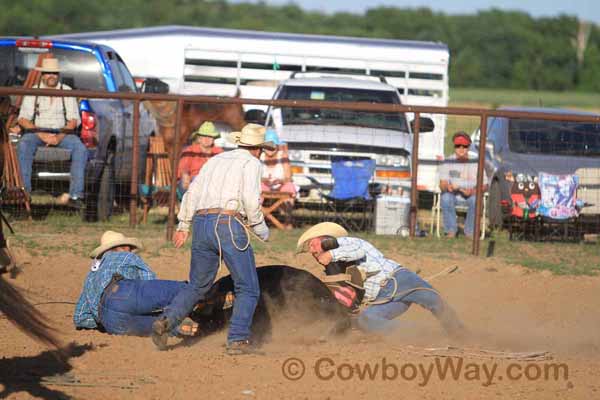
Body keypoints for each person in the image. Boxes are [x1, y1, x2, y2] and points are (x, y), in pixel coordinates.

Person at [152, 123, 273, 354]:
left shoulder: (216, 160)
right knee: (248, 287)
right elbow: (250, 198)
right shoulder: (252, 163)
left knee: (198, 284)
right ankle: (237, 339)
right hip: (228, 224)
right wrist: (260, 229)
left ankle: (167, 320)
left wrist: (184, 225)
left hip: (201, 223)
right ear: (258, 149)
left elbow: (192, 193)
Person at [296, 222, 465, 337]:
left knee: (432, 300)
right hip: (382, 298)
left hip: (398, 278)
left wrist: (331, 253)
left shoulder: (343, 242)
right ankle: (419, 335)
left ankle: (459, 332)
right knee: (365, 319)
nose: (312, 251)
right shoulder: (335, 269)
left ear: (325, 238)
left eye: (312, 244)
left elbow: (358, 252)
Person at [73, 231, 197, 337]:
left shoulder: (91, 275)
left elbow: (80, 318)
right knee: (184, 289)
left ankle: (178, 328)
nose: (132, 250)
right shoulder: (126, 256)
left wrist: (103, 320)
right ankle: (205, 299)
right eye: (129, 247)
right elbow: (150, 282)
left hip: (110, 323)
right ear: (122, 247)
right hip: (121, 291)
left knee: (157, 325)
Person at [17, 57, 88, 207]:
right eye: (48, 73)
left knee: (80, 148)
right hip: (36, 132)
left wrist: (58, 137)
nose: (51, 76)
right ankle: (24, 193)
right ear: (42, 75)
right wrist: (42, 135)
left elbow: (73, 121)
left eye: (54, 73)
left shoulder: (67, 91)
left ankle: (76, 196)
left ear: (58, 75)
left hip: (63, 132)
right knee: (24, 144)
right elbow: (23, 119)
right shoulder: (33, 91)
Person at [438, 131, 488, 238]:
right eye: (458, 146)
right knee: (446, 197)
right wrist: (448, 187)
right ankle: (451, 231)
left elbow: (484, 185)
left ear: (468, 147)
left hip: (471, 195)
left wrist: (472, 191)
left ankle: (470, 232)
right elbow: (442, 184)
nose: (461, 149)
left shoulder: (476, 162)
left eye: (464, 146)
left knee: (476, 200)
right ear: (454, 147)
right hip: (453, 195)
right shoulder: (448, 161)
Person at [260, 129, 297, 229]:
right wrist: (264, 180)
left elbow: (288, 177)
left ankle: (287, 221)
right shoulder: (261, 157)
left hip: (281, 184)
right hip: (265, 185)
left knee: (290, 187)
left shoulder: (283, 156)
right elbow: (256, 177)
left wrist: (280, 181)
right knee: (256, 188)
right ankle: (256, 219)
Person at [176, 121, 223, 195]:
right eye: (204, 136)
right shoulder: (190, 150)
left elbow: (224, 169)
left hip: (214, 184)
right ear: (199, 139)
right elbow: (182, 168)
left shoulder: (219, 152)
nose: (207, 139)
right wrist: (185, 174)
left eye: (210, 136)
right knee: (196, 179)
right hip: (192, 182)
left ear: (213, 139)